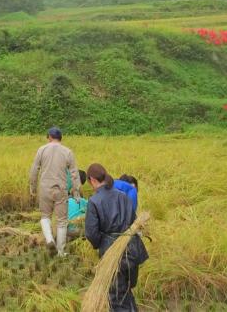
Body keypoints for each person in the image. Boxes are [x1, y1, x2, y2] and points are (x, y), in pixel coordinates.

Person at [84, 163, 148, 312]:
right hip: (132, 250)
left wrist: (102, 243)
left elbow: (91, 233)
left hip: (113, 255)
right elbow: (134, 221)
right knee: (126, 292)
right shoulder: (123, 196)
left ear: (92, 180)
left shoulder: (94, 201)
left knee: (116, 298)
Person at [29, 126, 80, 256]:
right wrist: (76, 192)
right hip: (60, 189)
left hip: (45, 188)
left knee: (45, 216)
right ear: (60, 138)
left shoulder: (42, 149)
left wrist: (33, 188)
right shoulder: (67, 152)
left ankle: (50, 239)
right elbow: (74, 173)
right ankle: (61, 252)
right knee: (62, 221)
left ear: (50, 137)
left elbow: (34, 170)